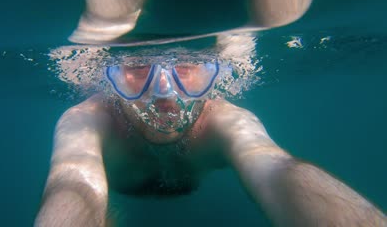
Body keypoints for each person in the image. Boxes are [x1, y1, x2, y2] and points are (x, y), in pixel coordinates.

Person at [35, 44, 386, 226]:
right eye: (136, 68)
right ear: (108, 77)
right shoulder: (87, 120)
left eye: (186, 68)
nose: (163, 92)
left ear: (211, 74)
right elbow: (71, 184)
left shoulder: (225, 121)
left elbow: (274, 165)